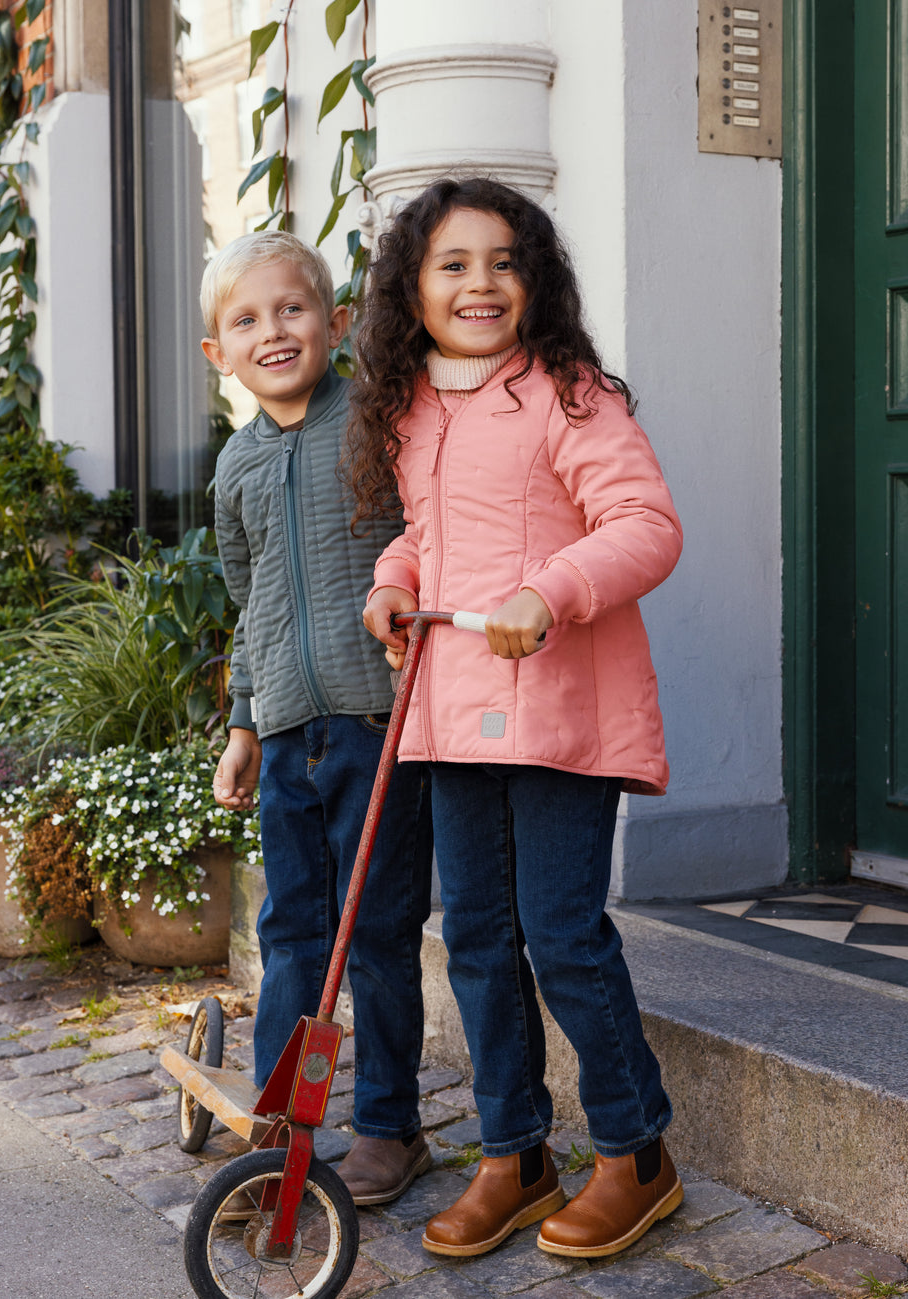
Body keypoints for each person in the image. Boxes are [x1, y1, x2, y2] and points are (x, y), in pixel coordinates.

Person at [346, 177, 684, 1259]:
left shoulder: (569, 395)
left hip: (556, 715)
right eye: (452, 264)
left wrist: (553, 590)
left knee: (563, 937)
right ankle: (514, 1151)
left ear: (533, 279)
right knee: (480, 940)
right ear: (413, 288)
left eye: (502, 260)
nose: (480, 282)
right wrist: (392, 583)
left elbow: (644, 524)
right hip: (450, 712)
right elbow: (428, 535)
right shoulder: (413, 408)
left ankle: (635, 1154)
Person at [204, 230, 433, 1205]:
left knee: (377, 929)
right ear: (219, 354)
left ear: (336, 323)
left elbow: (426, 540)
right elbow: (250, 604)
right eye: (246, 320)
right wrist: (245, 724)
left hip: (379, 727)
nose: (273, 332)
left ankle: (388, 1123)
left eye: (292, 309)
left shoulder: (375, 426)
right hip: (291, 735)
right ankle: (275, 1119)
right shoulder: (235, 469)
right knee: (292, 927)